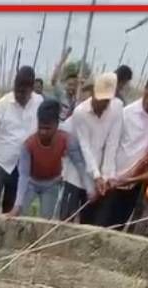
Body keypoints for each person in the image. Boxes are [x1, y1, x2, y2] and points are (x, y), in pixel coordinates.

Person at [58, 72, 124, 223]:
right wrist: (96, 175)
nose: (103, 104)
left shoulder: (117, 108)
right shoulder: (80, 113)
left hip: (99, 176)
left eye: (106, 101)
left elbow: (112, 144)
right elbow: (85, 146)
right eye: (100, 99)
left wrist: (107, 176)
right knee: (66, 219)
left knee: (89, 221)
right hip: (75, 173)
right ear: (93, 93)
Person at [0, 66, 42, 213]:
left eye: (23, 92)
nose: (19, 95)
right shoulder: (3, 104)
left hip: (21, 166)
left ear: (31, 89)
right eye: (17, 90)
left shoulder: (39, 103)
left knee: (11, 206)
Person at [9, 99, 86, 219]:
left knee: (47, 220)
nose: (43, 132)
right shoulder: (28, 144)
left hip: (52, 184)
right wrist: (17, 204)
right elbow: (23, 175)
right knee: (18, 216)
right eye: (41, 128)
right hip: (31, 182)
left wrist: (89, 186)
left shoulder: (66, 139)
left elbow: (79, 164)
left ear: (56, 125)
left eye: (47, 128)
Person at [101, 73, 148, 228]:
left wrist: (132, 179)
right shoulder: (126, 114)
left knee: (119, 226)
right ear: (146, 90)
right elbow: (110, 146)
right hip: (112, 183)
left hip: (135, 186)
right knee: (102, 225)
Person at [48, 47, 78, 120]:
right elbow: (54, 79)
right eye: (70, 85)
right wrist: (63, 59)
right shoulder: (61, 93)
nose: (72, 87)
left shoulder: (76, 99)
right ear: (66, 85)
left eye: (74, 85)